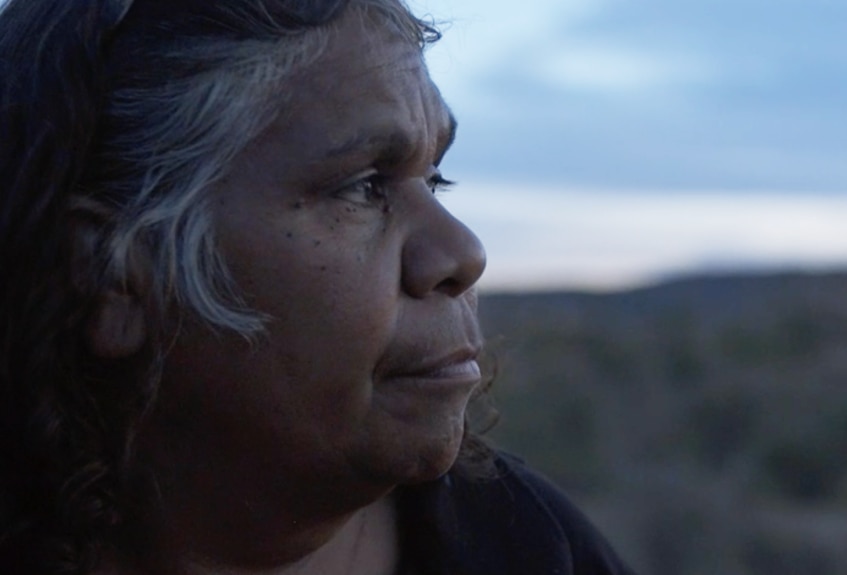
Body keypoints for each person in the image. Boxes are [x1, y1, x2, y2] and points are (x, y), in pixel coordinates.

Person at [0, 1, 637, 573]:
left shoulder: (530, 547)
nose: (462, 254)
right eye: (362, 186)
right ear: (109, 274)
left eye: (436, 178)